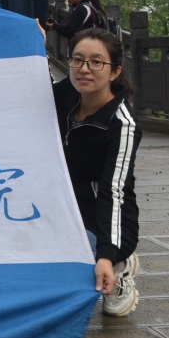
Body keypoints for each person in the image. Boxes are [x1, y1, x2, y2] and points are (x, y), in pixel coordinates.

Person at [53, 27, 141, 317]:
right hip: (61, 204)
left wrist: (106, 253)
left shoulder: (121, 125)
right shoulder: (63, 96)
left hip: (100, 213)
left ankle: (119, 263)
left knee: (82, 265)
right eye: (77, 59)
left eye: (96, 62)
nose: (84, 69)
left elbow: (113, 193)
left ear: (115, 71)